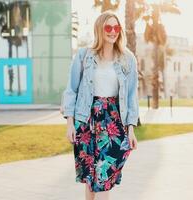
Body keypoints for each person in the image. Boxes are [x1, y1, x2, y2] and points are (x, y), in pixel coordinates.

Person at [62, 11, 139, 200]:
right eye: (108, 27)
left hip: (113, 119)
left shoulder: (128, 59)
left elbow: (131, 97)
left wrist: (131, 129)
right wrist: (70, 123)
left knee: (103, 176)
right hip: (86, 118)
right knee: (91, 177)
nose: (113, 31)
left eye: (116, 27)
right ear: (99, 29)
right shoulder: (83, 56)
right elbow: (71, 90)